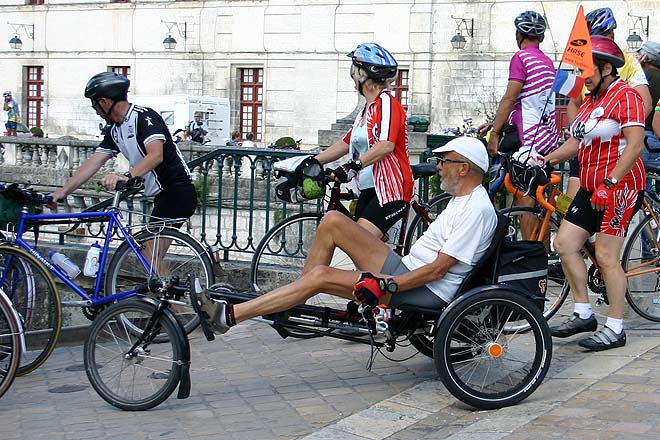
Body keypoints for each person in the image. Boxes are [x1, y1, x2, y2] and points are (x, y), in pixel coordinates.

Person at [191, 137, 497, 335]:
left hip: (420, 286)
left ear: (464, 168)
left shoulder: (476, 210)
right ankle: (290, 299)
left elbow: (438, 270)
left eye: (445, 162)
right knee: (334, 220)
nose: (439, 167)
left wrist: (386, 284)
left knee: (321, 276)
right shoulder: (463, 201)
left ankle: (228, 317)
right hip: (406, 268)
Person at [543, 37, 646, 351]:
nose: (582, 76)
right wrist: (544, 159)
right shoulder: (589, 102)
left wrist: (611, 182)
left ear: (606, 68)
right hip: (590, 187)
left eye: (587, 69)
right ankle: (584, 313)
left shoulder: (625, 96)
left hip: (621, 187)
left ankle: (615, 328)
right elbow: (577, 143)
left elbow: (636, 144)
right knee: (564, 243)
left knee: (605, 256)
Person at [49, 72, 197, 225]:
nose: (95, 111)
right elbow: (93, 163)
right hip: (163, 195)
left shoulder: (144, 117)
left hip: (177, 191)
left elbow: (156, 155)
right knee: (145, 247)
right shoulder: (114, 130)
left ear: (105, 102)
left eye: (94, 105)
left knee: (148, 248)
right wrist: (62, 192)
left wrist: (127, 176)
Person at [314, 43, 413, 240]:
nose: (352, 80)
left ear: (361, 76)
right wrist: (313, 162)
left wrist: (353, 166)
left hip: (390, 189)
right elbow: (344, 144)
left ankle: (400, 272)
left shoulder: (388, 104)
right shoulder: (365, 111)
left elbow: (385, 145)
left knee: (360, 244)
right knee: (360, 252)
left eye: (353, 74)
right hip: (369, 188)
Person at [478, 11, 558, 240]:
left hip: (528, 140)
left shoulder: (521, 58)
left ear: (517, 35)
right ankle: (540, 255)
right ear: (541, 38)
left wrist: (495, 133)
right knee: (538, 198)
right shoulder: (547, 62)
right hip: (547, 138)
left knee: (526, 199)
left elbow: (511, 97)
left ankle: (529, 258)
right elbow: (531, 101)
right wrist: (497, 120)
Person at [563, 8, 653, 200]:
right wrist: (574, 127)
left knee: (609, 208)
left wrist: (622, 128)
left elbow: (645, 103)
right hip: (586, 145)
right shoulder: (584, 64)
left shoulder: (628, 62)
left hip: (613, 149)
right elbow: (574, 102)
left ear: (611, 35)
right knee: (569, 205)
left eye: (598, 38)